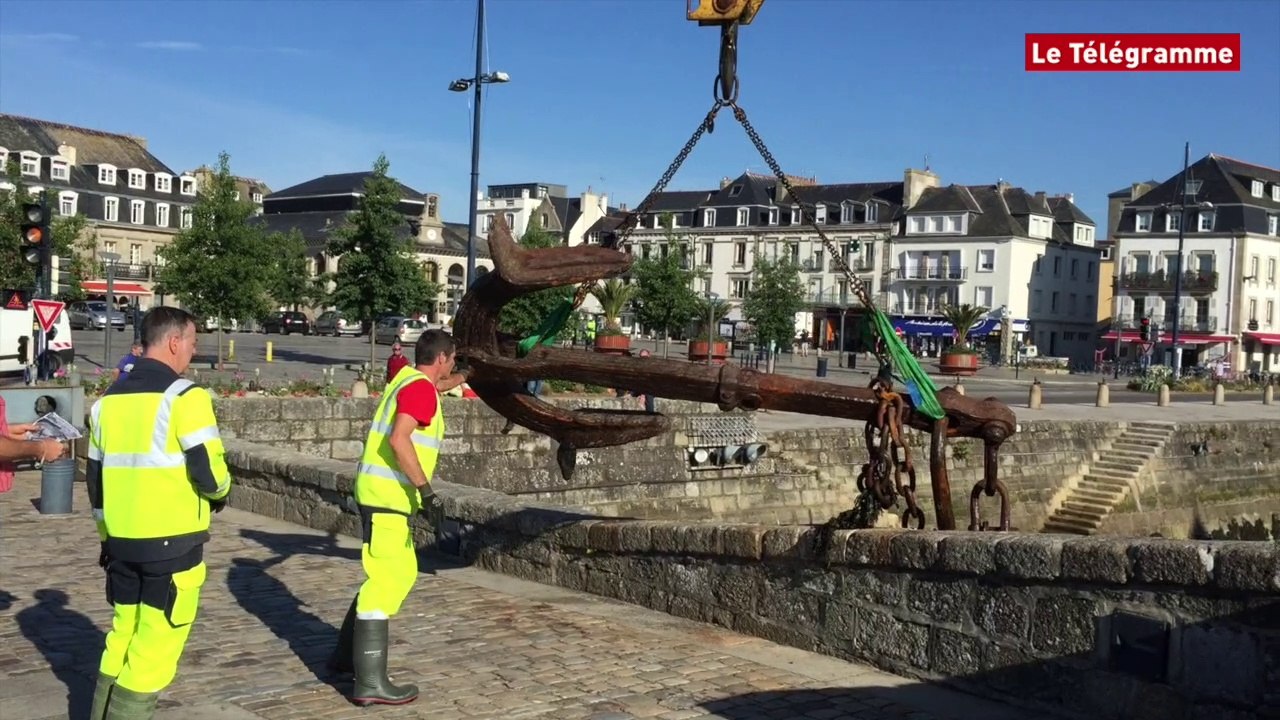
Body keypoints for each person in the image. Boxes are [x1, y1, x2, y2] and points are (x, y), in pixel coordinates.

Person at [86, 306, 232, 719]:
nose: (192, 351)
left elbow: (95, 484)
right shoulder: (185, 397)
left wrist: (106, 537)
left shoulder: (106, 403)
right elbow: (210, 473)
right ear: (173, 342)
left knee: (122, 638)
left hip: (120, 542)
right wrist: (221, 493)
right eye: (192, 342)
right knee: (154, 651)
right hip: (172, 544)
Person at [329, 329, 465, 705]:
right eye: (453, 359)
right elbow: (399, 438)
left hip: (378, 494)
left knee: (391, 573)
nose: (453, 364)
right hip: (388, 497)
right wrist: (427, 491)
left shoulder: (407, 379)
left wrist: (466, 376)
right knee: (389, 580)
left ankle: (345, 657)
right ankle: (370, 682)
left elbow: (436, 386)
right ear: (442, 358)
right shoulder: (419, 389)